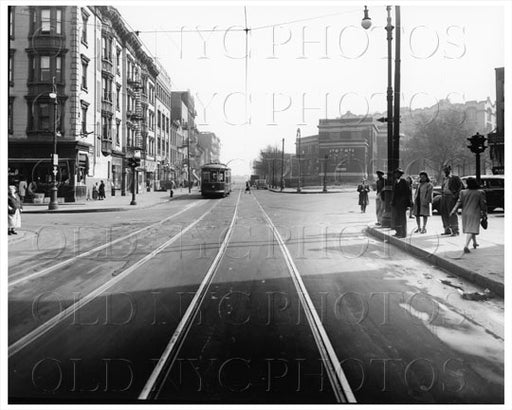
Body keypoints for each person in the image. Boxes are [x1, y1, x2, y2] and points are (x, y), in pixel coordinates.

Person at [449, 177, 487, 253]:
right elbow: (483, 204)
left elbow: (459, 202)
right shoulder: (480, 192)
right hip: (475, 213)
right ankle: (466, 245)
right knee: (472, 229)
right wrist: (484, 213)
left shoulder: (463, 192)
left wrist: (453, 211)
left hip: (465, 213)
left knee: (470, 228)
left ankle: (475, 243)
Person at [440, 165, 463, 236]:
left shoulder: (455, 178)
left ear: (450, 170)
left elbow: (461, 186)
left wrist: (455, 195)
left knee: (452, 213)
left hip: (451, 197)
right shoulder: (444, 178)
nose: (445, 171)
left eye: (447, 170)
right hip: (444, 196)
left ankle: (455, 230)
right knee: (444, 213)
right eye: (444, 170)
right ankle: (447, 229)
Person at [391, 168, 410, 238]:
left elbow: (407, 193)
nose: (396, 175)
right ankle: (398, 232)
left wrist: (407, 203)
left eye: (398, 173)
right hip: (396, 203)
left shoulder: (404, 181)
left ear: (401, 174)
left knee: (402, 218)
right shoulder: (395, 181)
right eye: (395, 173)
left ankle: (403, 233)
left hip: (402, 203)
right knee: (397, 218)